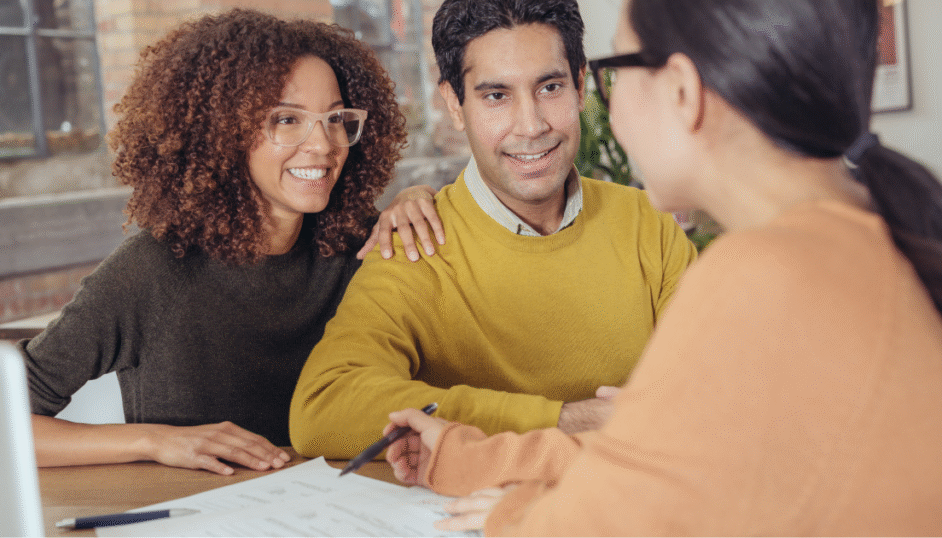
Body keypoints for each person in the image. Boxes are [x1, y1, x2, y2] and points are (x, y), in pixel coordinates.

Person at [382, 0, 942, 534]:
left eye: (615, 71)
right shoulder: (847, 236)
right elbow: (670, 453)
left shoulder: (763, 274)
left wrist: (514, 512)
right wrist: (465, 458)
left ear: (681, 91)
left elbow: (596, 523)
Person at [21, 9, 445, 476]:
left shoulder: (362, 247)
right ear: (222, 131)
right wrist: (151, 439)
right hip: (199, 507)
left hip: (347, 503)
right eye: (287, 119)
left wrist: (420, 199)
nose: (324, 145)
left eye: (335, 118)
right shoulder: (150, 270)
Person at [289, 0, 697, 459]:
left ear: (580, 86)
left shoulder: (650, 224)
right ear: (454, 105)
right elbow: (324, 408)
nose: (531, 126)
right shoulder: (414, 246)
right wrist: (565, 420)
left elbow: (716, 388)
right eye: (496, 96)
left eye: (550, 87)